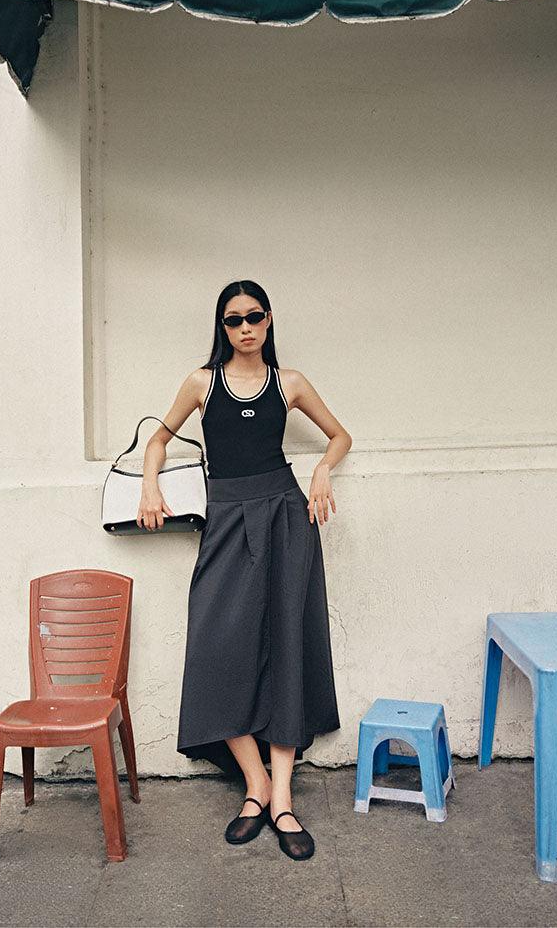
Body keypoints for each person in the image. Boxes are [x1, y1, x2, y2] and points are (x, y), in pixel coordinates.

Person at [136, 280, 352, 860]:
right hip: (227, 519)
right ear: (222, 327)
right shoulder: (201, 383)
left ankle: (280, 796)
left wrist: (323, 471)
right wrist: (151, 486)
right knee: (216, 647)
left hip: (284, 516)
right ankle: (252, 781)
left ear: (270, 320)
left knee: (287, 646)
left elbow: (340, 435)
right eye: (234, 320)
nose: (245, 328)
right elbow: (157, 440)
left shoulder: (291, 383)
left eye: (255, 317)